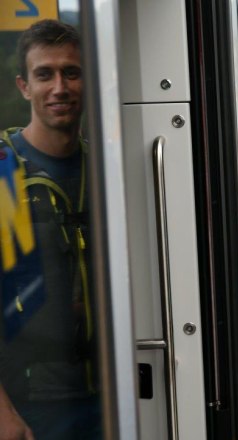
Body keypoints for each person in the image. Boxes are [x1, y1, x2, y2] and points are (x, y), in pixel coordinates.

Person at [0, 19, 98, 440]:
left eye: (71, 73)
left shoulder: (105, 169)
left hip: (112, 394)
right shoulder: (3, 173)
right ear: (24, 86)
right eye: (45, 74)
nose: (59, 87)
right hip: (29, 407)